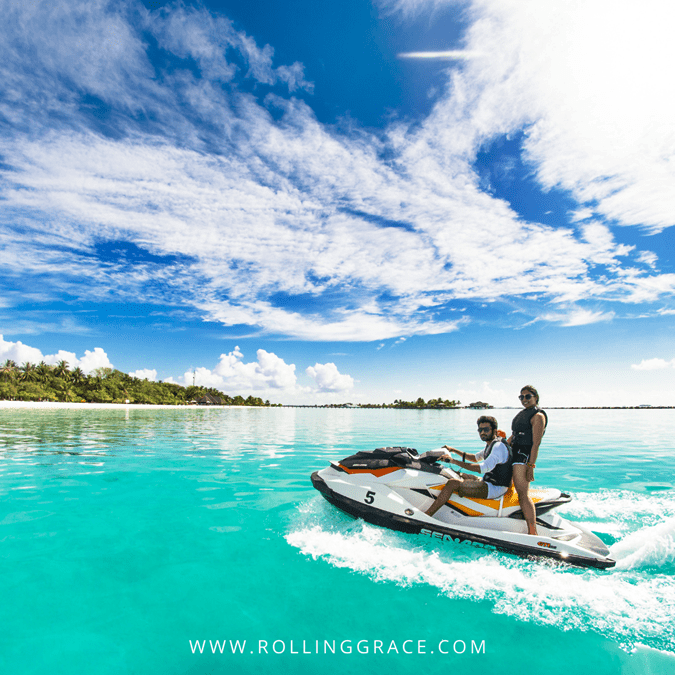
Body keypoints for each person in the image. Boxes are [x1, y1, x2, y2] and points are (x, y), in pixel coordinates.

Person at [425, 416, 512, 517]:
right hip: (488, 481)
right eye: (480, 430)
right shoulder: (491, 444)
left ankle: (427, 515)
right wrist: (453, 450)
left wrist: (453, 461)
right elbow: (475, 458)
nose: (482, 432)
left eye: (486, 429)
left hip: (495, 488)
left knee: (452, 483)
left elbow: (482, 468)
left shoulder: (498, 447)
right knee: (454, 474)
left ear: (495, 431)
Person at [507, 385, 548, 536]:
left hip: (523, 457)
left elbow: (536, 443)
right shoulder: (522, 414)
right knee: (507, 486)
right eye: (521, 397)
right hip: (512, 453)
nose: (524, 399)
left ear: (535, 397)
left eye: (527, 396)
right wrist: (501, 445)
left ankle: (532, 531)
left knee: (522, 493)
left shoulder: (538, 416)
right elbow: (514, 435)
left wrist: (531, 465)